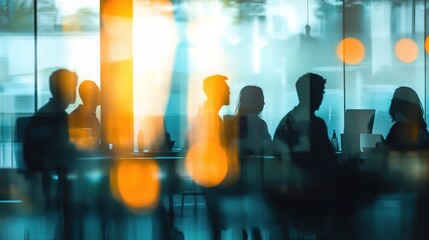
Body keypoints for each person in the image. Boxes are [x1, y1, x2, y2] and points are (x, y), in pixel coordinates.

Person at [23, 68, 79, 240]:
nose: (75, 92)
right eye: (73, 87)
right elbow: (60, 151)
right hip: (53, 180)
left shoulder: (48, 113)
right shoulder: (55, 117)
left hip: (49, 179)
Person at [184, 74, 230, 240]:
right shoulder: (209, 117)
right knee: (216, 218)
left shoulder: (209, 115)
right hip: (211, 174)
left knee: (217, 219)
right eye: (225, 89)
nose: (229, 93)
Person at [225, 85, 273, 155]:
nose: (264, 103)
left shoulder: (232, 123)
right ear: (254, 101)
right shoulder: (260, 124)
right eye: (261, 99)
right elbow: (269, 148)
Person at [68, 80, 101, 148]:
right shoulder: (79, 118)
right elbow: (85, 148)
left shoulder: (88, 116)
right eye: (97, 91)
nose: (100, 93)